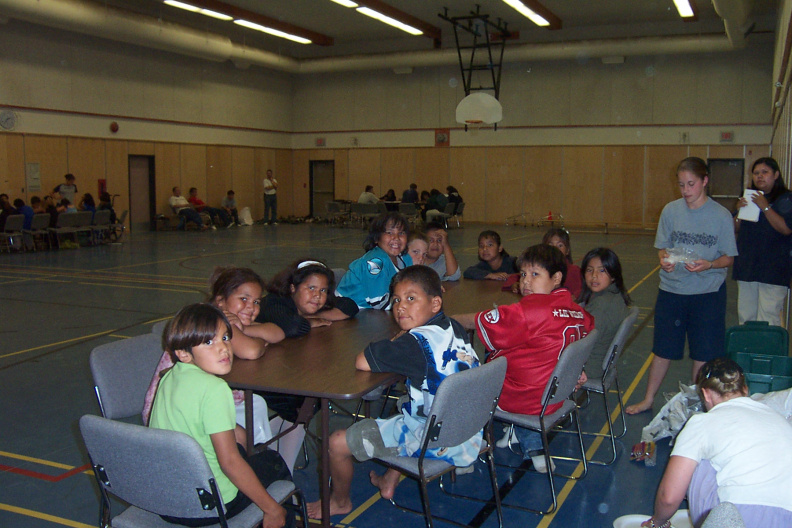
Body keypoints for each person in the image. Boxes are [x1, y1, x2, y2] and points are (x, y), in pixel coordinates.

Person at [305, 265, 481, 519]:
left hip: (436, 439)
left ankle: (339, 501)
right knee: (404, 408)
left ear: (435, 304)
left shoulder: (414, 343)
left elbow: (362, 361)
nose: (400, 307)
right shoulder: (453, 326)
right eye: (397, 299)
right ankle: (390, 479)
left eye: (411, 299)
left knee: (336, 442)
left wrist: (398, 340)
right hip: (468, 428)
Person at [149, 304, 292, 528]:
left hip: (168, 500)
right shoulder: (215, 389)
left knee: (243, 443)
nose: (224, 348)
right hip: (210, 505)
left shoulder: (169, 376)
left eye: (225, 337)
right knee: (273, 462)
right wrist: (272, 509)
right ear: (184, 353)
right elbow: (229, 463)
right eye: (209, 342)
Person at [454, 244, 594, 472]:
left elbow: (478, 320)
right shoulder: (577, 310)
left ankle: (466, 452)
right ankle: (527, 439)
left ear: (556, 278)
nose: (526, 281)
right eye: (523, 274)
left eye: (535, 274)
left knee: (466, 377)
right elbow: (587, 330)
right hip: (556, 395)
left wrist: (444, 319)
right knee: (518, 354)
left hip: (525, 399)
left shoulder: (529, 312)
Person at [626, 157, 738, 415]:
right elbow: (662, 248)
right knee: (662, 349)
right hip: (672, 291)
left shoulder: (721, 216)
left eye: (691, 184)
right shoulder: (670, 211)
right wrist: (664, 261)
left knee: (703, 352)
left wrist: (708, 264)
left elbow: (728, 258)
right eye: (681, 185)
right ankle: (648, 398)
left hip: (707, 294)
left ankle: (697, 403)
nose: (686, 191)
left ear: (705, 181)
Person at [641, 357, 792, 528]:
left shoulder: (702, 423)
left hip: (736, 517)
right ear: (745, 390)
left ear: (705, 393)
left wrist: (656, 522)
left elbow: (669, 498)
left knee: (698, 459)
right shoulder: (777, 418)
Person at [733, 157, 792, 326]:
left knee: (769, 317)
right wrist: (739, 212)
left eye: (765, 172)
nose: (760, 176)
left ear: (776, 175)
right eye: (756, 173)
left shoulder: (786, 199)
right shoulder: (748, 197)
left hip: (774, 270)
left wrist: (765, 207)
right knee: (746, 317)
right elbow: (735, 229)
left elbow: (785, 228)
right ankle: (747, 351)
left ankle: (767, 352)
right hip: (747, 266)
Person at [256, 259, 359, 338]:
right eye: (311, 288)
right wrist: (311, 321)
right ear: (293, 287)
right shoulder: (274, 301)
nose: (317, 295)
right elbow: (292, 328)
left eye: (323, 290)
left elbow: (349, 306)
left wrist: (312, 315)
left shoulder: (311, 302)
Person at [336, 212, 412, 309]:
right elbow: (379, 302)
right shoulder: (375, 262)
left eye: (401, 233)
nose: (396, 238)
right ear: (376, 238)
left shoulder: (406, 258)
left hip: (375, 310)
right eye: (389, 233)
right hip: (351, 309)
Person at [578, 248, 632, 374]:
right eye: (589, 270)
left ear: (613, 275)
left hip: (588, 367)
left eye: (602, 270)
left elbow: (581, 341)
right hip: (600, 362)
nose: (594, 276)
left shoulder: (601, 305)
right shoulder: (615, 295)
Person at [543, 228, 582, 298]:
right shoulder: (540, 270)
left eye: (560, 245)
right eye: (550, 245)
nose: (555, 249)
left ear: (567, 250)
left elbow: (580, 292)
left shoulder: (574, 271)